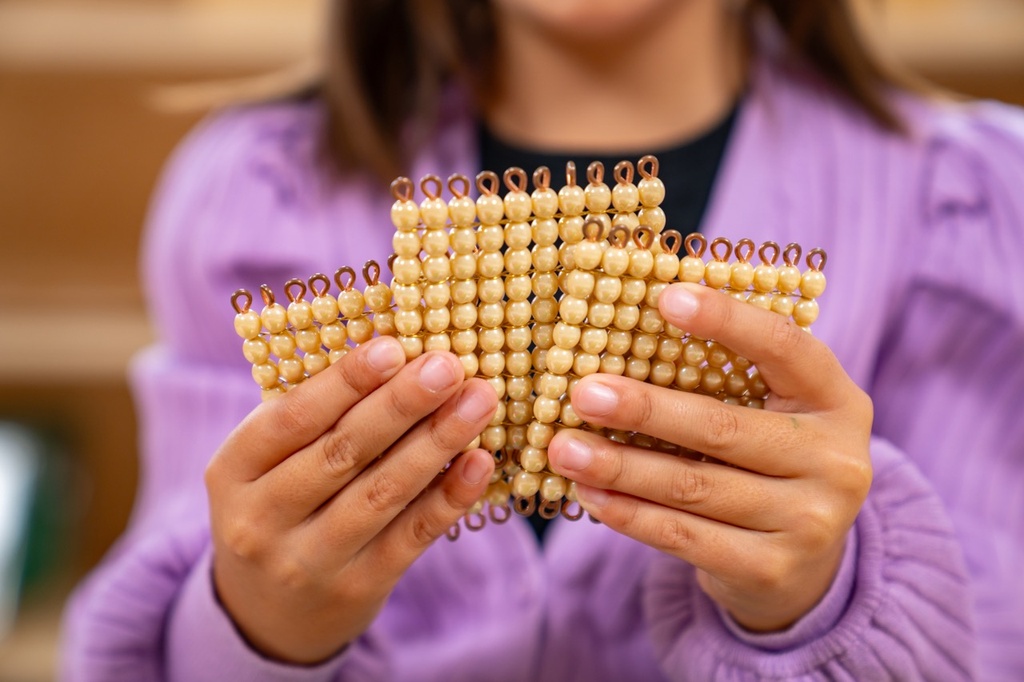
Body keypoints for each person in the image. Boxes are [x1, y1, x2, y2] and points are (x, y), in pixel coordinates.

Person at [61, 1, 1024, 680]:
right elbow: (180, 595)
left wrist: (822, 597)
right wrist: (257, 625)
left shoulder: (976, 208)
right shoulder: (254, 191)